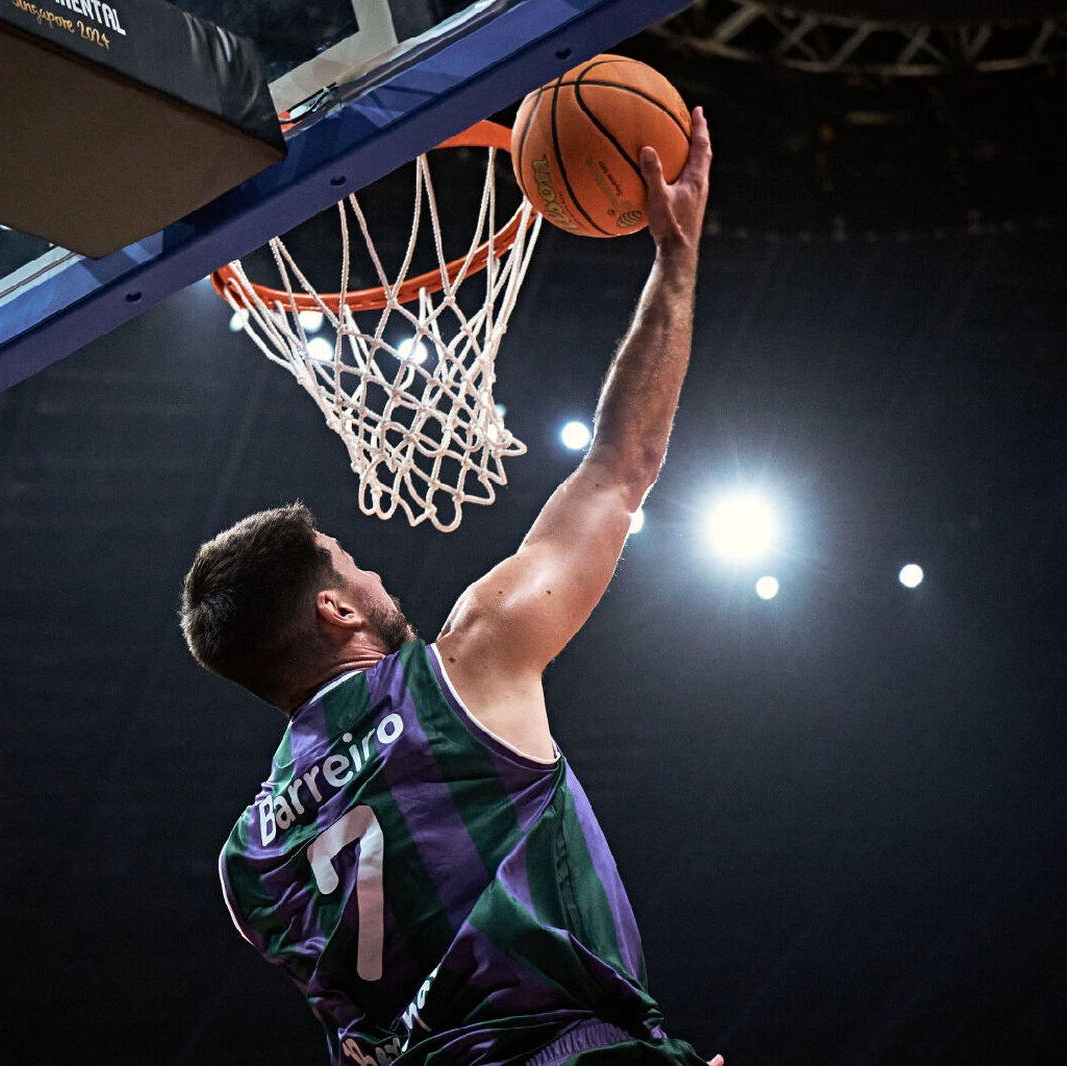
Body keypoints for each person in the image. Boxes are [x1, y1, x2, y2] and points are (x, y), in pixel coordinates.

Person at [181, 109, 721, 1066]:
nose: (377, 571)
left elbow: (357, 1048)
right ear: (335, 611)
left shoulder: (247, 868)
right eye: (354, 564)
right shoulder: (462, 669)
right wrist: (674, 264)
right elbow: (618, 469)